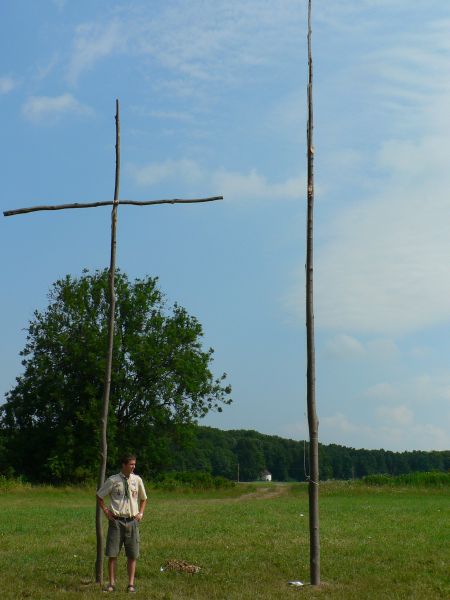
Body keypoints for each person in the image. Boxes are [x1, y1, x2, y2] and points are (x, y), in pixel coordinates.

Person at [96, 454, 147, 593]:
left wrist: (140, 513)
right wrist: (106, 511)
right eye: (131, 464)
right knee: (113, 554)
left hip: (132, 521)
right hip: (116, 522)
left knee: (132, 555)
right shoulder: (113, 480)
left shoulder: (137, 480)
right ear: (123, 465)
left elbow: (143, 499)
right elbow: (99, 496)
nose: (133, 467)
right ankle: (112, 584)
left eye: (134, 464)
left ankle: (131, 585)